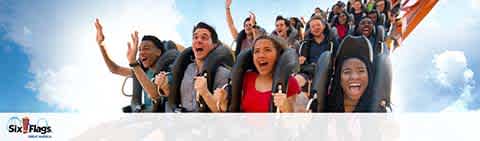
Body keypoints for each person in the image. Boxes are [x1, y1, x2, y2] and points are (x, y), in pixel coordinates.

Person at [94, 18, 183, 112]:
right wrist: (101, 44)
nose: (141, 53)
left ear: (158, 52)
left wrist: (133, 63)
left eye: (146, 48)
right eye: (139, 50)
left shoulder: (168, 68)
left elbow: (155, 94)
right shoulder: (140, 71)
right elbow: (114, 69)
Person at [156, 22, 231, 112]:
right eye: (195, 37)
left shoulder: (223, 74)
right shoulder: (185, 69)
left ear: (214, 45)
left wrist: (205, 92)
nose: (198, 40)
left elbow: (222, 112)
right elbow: (174, 98)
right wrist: (165, 87)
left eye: (204, 37)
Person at [216, 35, 300, 112]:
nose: (261, 55)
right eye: (257, 51)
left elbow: (292, 123)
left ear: (279, 55)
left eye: (267, 50)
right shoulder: (246, 78)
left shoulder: (290, 82)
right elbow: (234, 113)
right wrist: (223, 102)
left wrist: (286, 108)